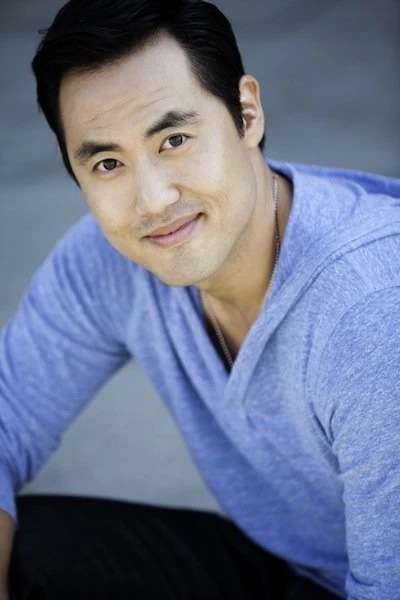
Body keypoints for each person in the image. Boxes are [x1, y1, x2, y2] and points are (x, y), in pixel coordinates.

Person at [0, 0, 399, 598]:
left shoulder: (373, 312)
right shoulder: (108, 262)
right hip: (294, 571)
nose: (153, 200)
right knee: (27, 549)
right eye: (108, 163)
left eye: (175, 139)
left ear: (247, 113)